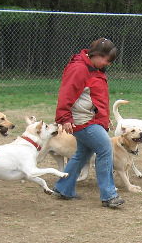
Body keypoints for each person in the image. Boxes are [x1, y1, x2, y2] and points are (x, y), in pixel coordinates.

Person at [52, 38, 125, 208]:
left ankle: (63, 188)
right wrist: (64, 117)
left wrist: (104, 118)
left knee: (83, 153)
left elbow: (95, 97)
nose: (108, 64)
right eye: (107, 60)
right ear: (97, 55)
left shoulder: (93, 68)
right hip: (83, 121)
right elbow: (66, 93)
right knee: (105, 149)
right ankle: (109, 195)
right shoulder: (79, 69)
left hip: (91, 119)